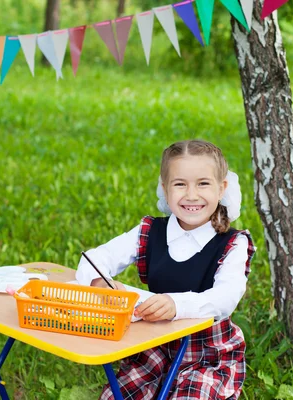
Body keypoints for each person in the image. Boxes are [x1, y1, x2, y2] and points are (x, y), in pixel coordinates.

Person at [76, 139, 256, 399]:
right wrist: (100, 283)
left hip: (206, 354)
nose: (191, 195)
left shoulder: (232, 242)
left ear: (221, 188)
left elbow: (226, 297)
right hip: (153, 347)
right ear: (164, 188)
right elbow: (95, 257)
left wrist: (176, 304)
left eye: (203, 183)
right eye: (180, 184)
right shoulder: (151, 232)